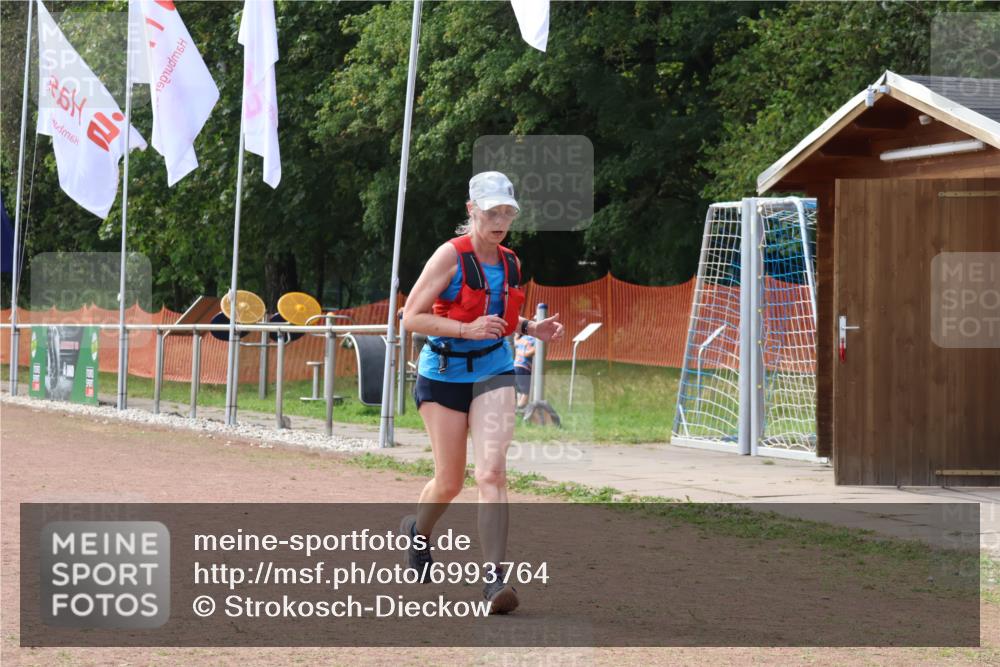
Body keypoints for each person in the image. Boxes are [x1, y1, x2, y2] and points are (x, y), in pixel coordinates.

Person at [400, 171, 564, 614]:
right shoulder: (448, 257)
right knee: (450, 482)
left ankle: (494, 582)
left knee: (491, 473)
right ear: (472, 210)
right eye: (492, 212)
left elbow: (502, 316)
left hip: (494, 371)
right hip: (444, 374)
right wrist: (463, 328)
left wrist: (531, 327)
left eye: (507, 212)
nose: (501, 220)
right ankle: (417, 530)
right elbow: (409, 317)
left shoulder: (510, 261)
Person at [513, 331, 536, 410]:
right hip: (524, 367)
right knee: (527, 392)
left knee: (520, 390)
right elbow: (526, 353)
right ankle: (519, 410)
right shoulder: (533, 340)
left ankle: (518, 407)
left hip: (515, 366)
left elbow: (516, 342)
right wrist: (535, 350)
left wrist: (515, 337)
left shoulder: (522, 339)